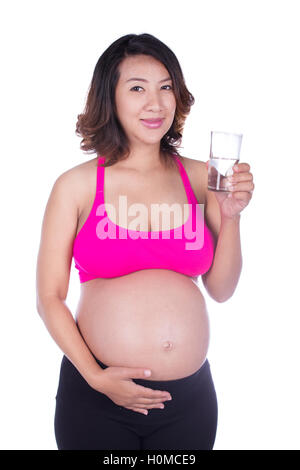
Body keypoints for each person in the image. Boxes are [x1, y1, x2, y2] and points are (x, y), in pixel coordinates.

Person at [36, 33, 254, 450]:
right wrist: (96, 377)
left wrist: (231, 217)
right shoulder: (77, 186)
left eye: (165, 87)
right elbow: (49, 297)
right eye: (137, 88)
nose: (155, 104)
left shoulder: (201, 177)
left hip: (188, 402)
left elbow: (222, 290)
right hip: (97, 396)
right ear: (110, 98)